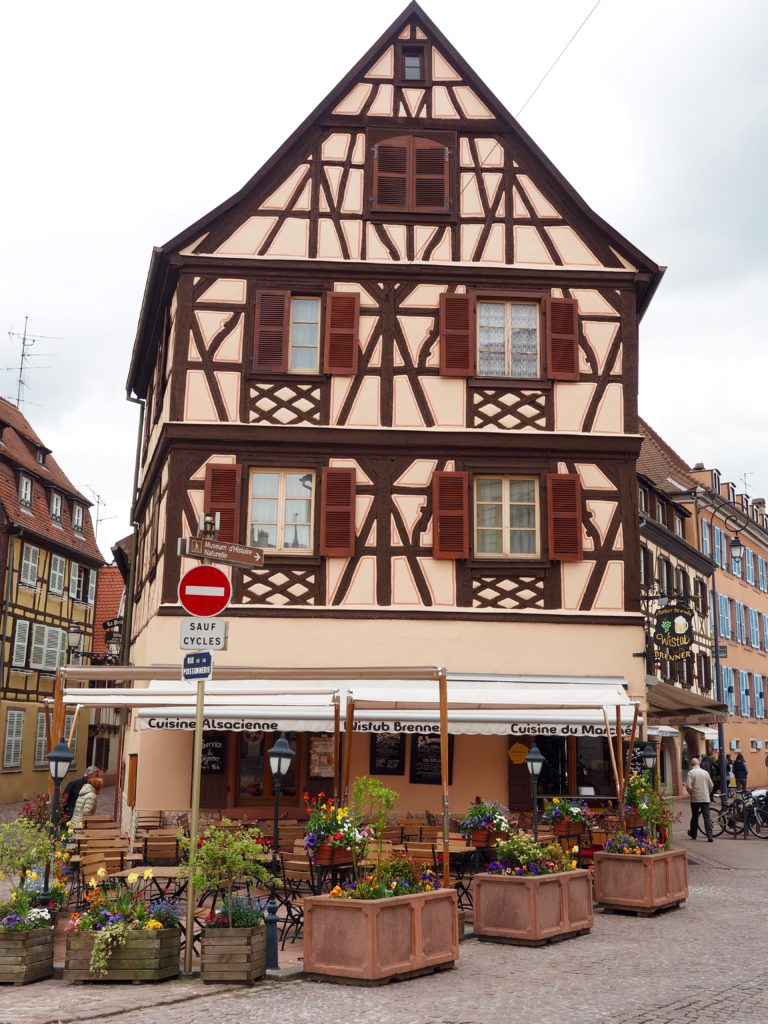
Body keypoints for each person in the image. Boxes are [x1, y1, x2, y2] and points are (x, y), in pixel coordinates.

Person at [686, 756, 714, 841]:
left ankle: (693, 833)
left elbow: (688, 786)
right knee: (707, 817)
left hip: (695, 798)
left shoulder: (691, 773)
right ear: (698, 763)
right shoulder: (705, 773)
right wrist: (707, 793)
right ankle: (709, 836)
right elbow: (711, 785)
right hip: (705, 797)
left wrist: (691, 793)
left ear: (692, 765)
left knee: (695, 816)